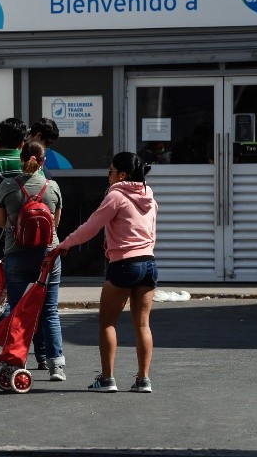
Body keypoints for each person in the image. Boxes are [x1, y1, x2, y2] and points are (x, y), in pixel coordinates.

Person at [57, 152, 157, 393]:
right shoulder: (149, 196)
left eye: (110, 170)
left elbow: (91, 226)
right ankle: (143, 380)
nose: (108, 175)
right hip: (149, 264)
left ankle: (107, 379)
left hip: (123, 264)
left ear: (122, 174)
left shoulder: (116, 196)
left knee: (107, 323)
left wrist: (65, 244)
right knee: (142, 324)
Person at [0, 140, 66, 381]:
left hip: (16, 253)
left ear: (20, 158)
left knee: (19, 312)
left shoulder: (7, 185)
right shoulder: (52, 186)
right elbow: (55, 224)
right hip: (48, 256)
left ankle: (17, 362)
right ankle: (56, 365)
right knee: (49, 312)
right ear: (43, 161)